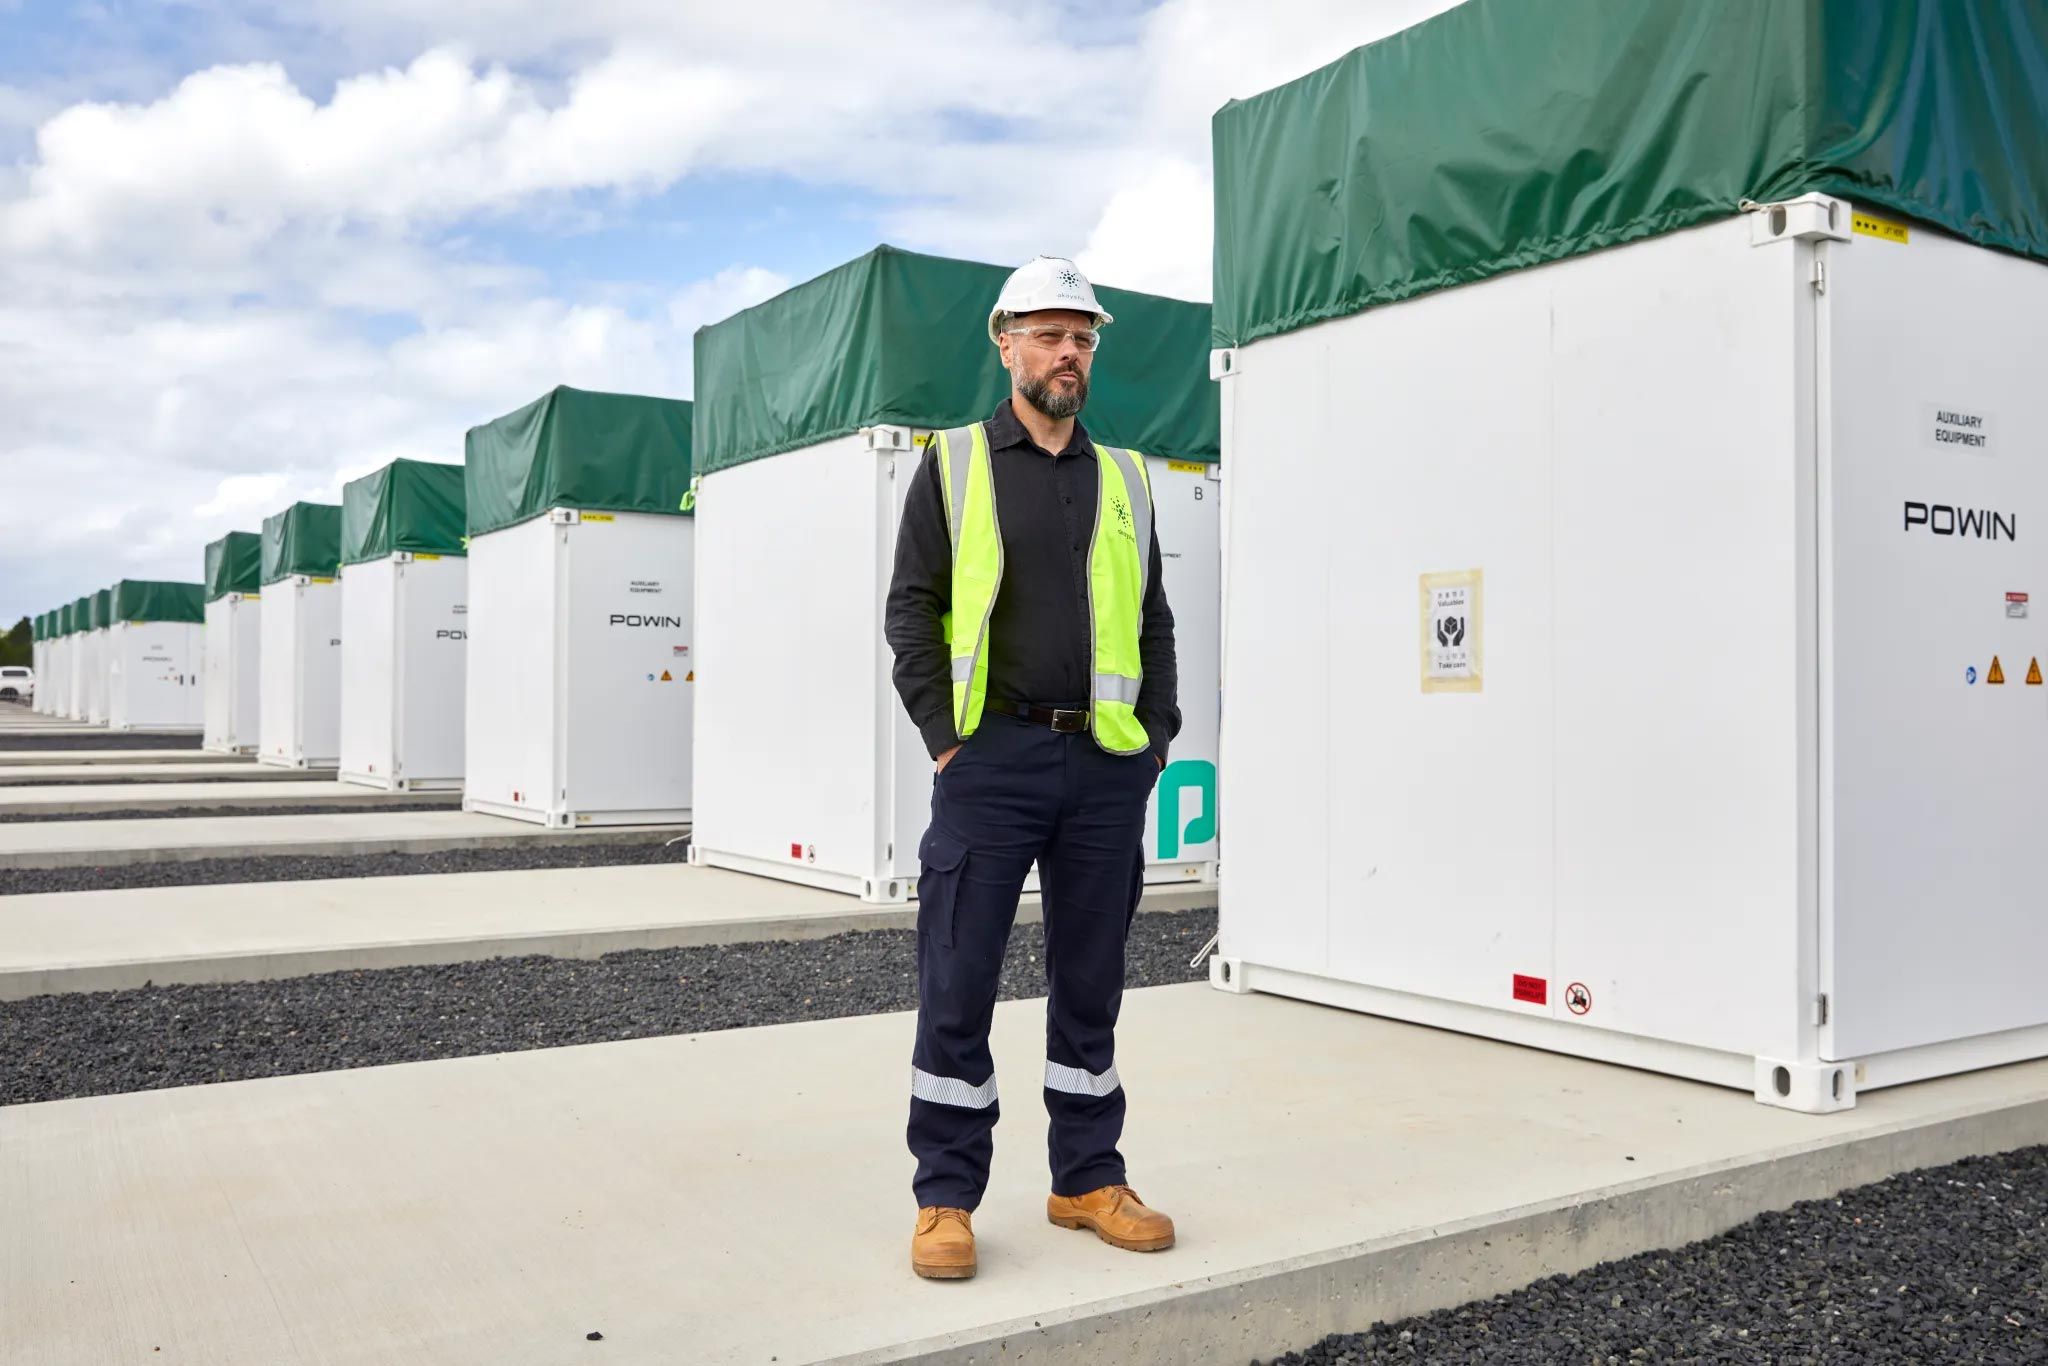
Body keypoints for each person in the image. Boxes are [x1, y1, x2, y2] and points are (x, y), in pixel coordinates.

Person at [884, 255, 1181, 1280]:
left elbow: (1149, 617)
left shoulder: (1127, 478)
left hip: (1102, 767)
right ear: (1004, 343)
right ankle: (945, 1197)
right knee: (957, 978)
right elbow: (911, 607)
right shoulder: (956, 461)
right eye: (1049, 334)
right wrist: (942, 736)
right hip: (989, 760)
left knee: (1089, 983)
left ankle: (1086, 1176)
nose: (1068, 353)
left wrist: (1156, 737)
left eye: (1083, 337)